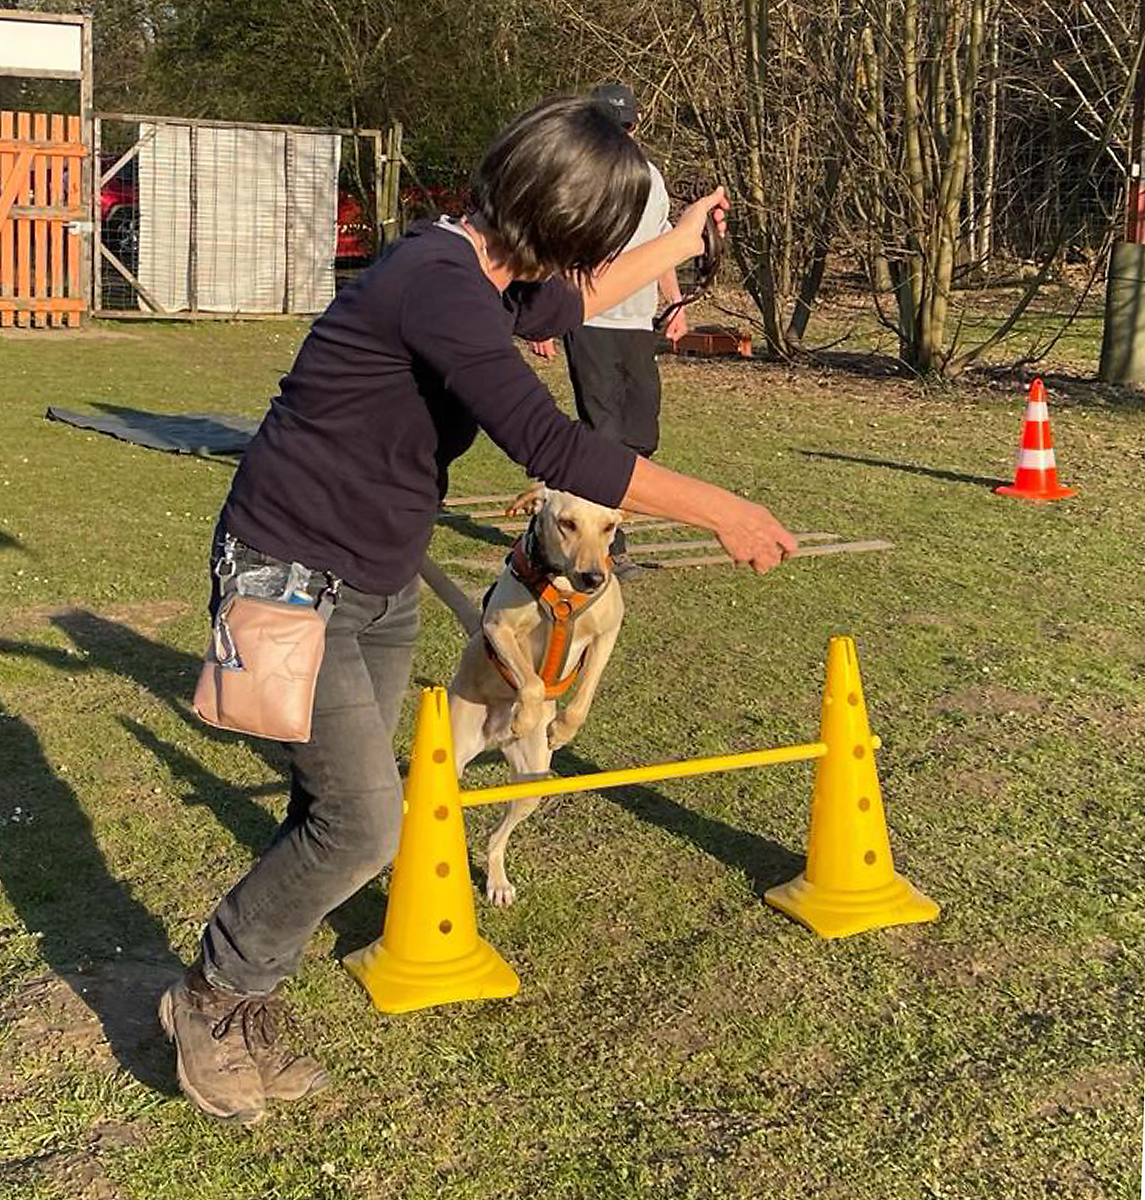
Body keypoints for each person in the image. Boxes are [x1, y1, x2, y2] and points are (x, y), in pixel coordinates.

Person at [159, 94, 795, 1125]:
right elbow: (554, 447)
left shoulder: (482, 274)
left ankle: (249, 998)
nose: (594, 257)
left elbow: (568, 307)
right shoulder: (436, 285)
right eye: (598, 234)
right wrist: (720, 506)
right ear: (557, 221)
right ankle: (211, 999)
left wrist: (674, 243)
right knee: (367, 824)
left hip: (374, 578)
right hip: (288, 576)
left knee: (336, 806)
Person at [531, 83, 687, 580]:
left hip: (638, 321)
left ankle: (597, 518)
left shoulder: (652, 179)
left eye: (623, 128)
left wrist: (675, 300)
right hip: (587, 316)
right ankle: (604, 551)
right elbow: (550, 245)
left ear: (635, 129)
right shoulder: (578, 177)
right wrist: (543, 318)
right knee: (605, 432)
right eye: (606, 128)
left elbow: (664, 240)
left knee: (642, 429)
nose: (617, 137)